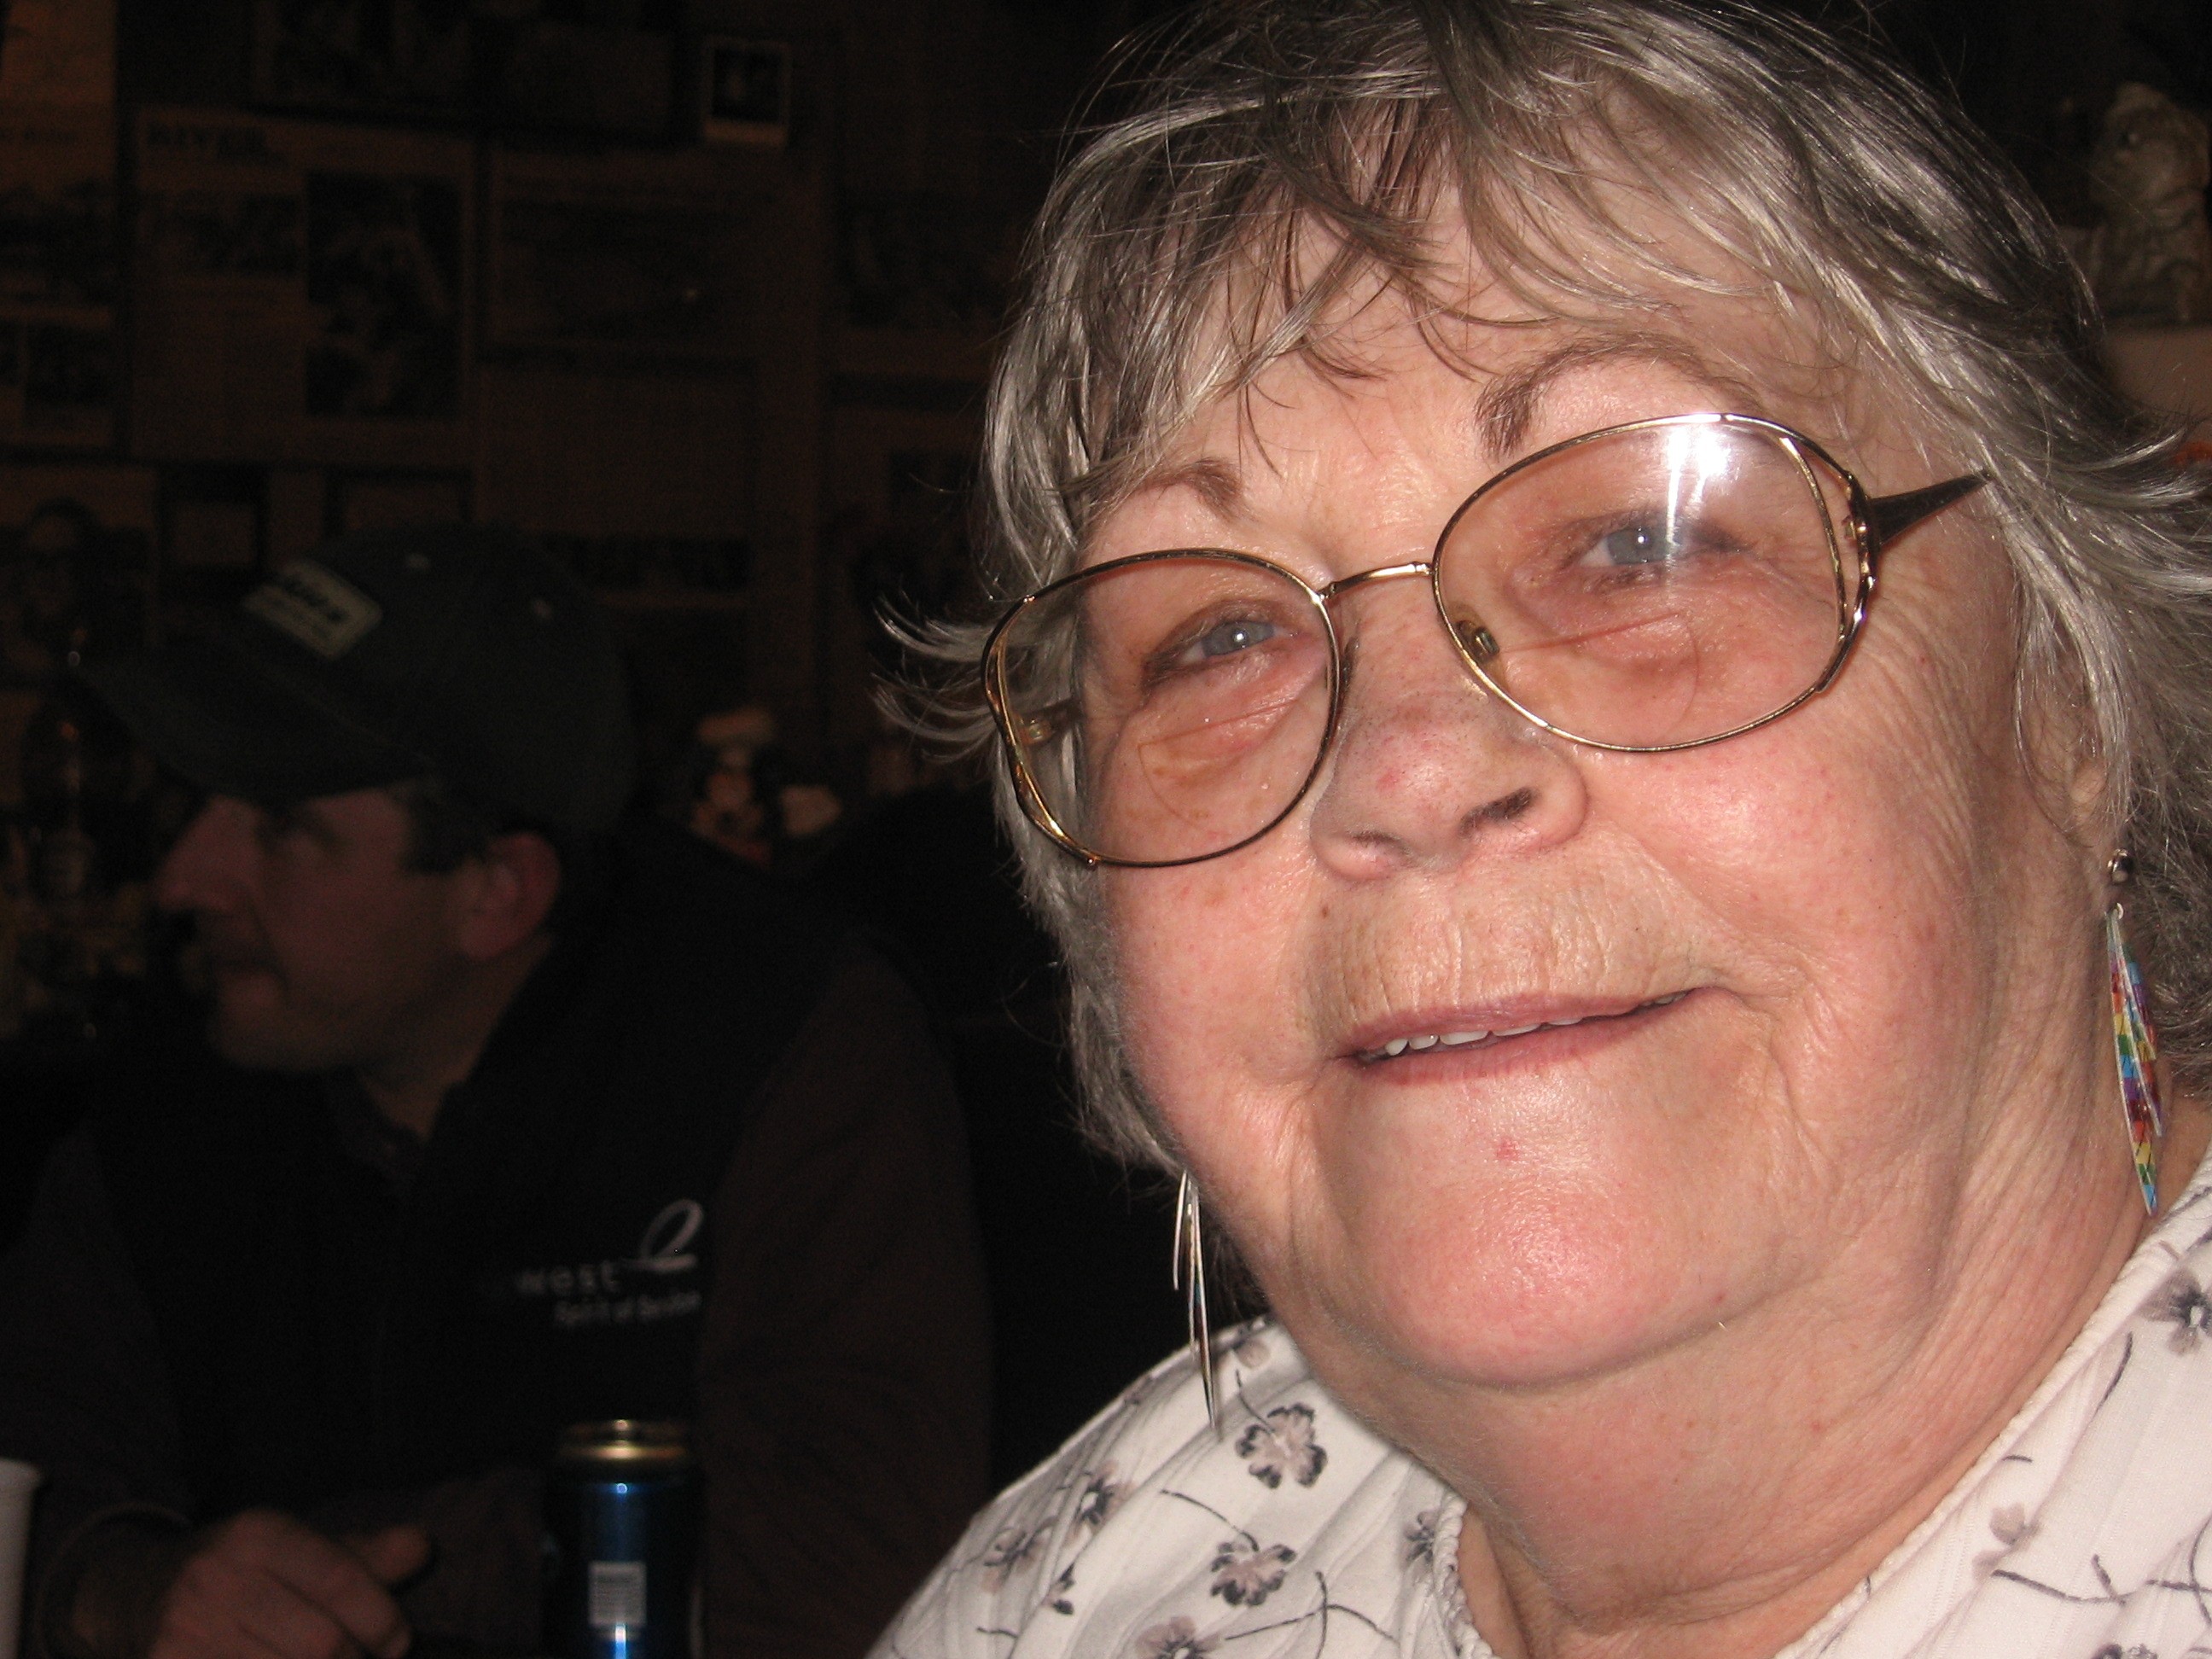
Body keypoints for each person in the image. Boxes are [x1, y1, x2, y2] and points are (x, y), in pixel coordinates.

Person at [871, 3, 2212, 1656]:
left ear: (2073, 696)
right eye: (1218, 637)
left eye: (1642, 542)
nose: (1407, 769)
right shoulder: (1068, 1589)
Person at [0, 524, 990, 1659]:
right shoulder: (186, 1086)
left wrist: (357, 1573)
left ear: (496, 894)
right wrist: (117, 1590)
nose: (183, 879)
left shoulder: (778, 1038)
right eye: (198, 805)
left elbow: (854, 1564)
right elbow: (32, 1462)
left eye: (279, 827)